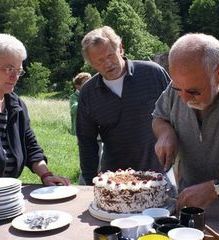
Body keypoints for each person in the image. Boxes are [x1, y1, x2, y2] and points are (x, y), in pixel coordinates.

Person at [152, 33, 219, 210]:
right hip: (187, 202)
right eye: (178, 89)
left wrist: (215, 188)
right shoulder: (175, 88)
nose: (184, 99)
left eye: (193, 92)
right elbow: (159, 117)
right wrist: (165, 133)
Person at [77, 26, 170, 185]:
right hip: (116, 179)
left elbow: (179, 113)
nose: (108, 64)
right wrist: (90, 181)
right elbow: (86, 142)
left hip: (161, 172)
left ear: (121, 48)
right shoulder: (88, 93)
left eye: (110, 55)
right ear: (91, 63)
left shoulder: (153, 73)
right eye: (99, 61)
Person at [0, 33, 70, 186]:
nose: (15, 77)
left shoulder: (16, 105)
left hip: (7, 197)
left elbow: (30, 145)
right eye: (9, 68)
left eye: (18, 70)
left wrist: (45, 175)